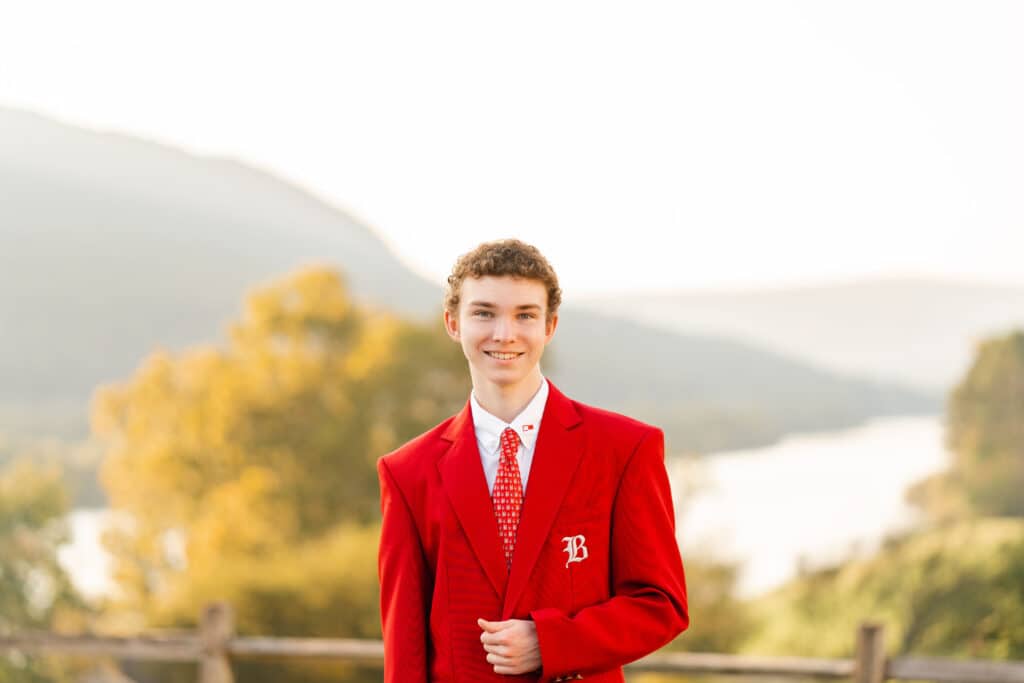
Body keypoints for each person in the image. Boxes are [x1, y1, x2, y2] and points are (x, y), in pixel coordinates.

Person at [377, 239, 688, 682]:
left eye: (525, 314)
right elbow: (405, 652)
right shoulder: (407, 472)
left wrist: (551, 642)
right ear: (452, 323)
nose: (505, 333)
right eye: (484, 312)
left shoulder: (624, 449)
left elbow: (662, 605)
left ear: (550, 326)